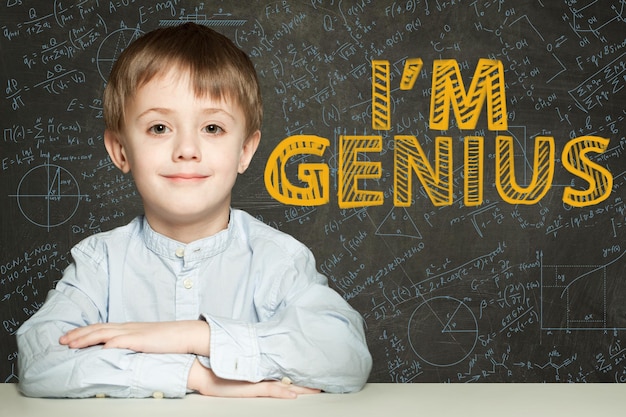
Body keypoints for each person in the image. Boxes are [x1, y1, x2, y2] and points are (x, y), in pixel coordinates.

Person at [16, 22, 372, 399]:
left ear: (245, 151)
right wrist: (196, 376)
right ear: (121, 150)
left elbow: (346, 355)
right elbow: (40, 361)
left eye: (213, 128)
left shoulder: (277, 261)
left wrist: (195, 335)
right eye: (158, 128)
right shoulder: (100, 263)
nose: (187, 149)